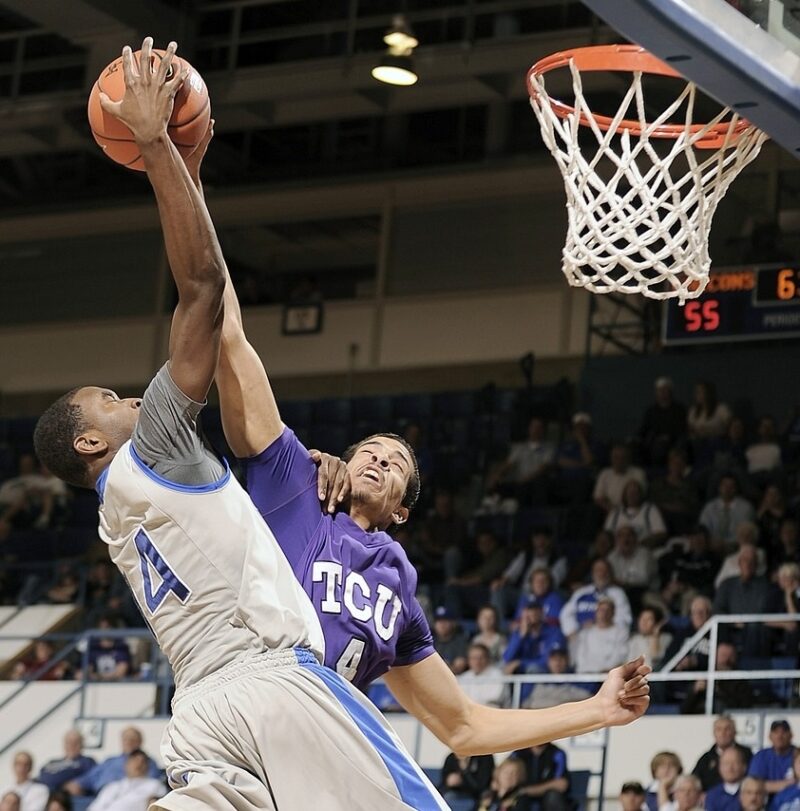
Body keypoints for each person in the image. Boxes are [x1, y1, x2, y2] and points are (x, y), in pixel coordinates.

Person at [34, 38, 449, 811]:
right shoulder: (153, 440)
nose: (129, 395)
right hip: (271, 682)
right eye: (107, 399)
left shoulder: (116, 516)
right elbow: (203, 291)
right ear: (89, 439)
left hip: (200, 711)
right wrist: (160, 147)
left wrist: (184, 169)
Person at [208, 98, 652, 763]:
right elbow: (230, 334)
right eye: (370, 451)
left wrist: (598, 708)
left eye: (396, 463)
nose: (379, 460)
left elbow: (465, 728)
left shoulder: (398, 586)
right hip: (244, 710)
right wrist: (184, 169)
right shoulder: (296, 483)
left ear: (404, 508)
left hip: (317, 747)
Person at [714, 544, 781, 657]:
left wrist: (745, 622)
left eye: (752, 561)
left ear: (757, 564)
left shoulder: (765, 586)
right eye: (745, 560)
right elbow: (718, 609)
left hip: (757, 629)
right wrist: (734, 621)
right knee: (719, 627)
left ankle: (750, 666)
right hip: (731, 628)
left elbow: (763, 611)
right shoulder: (726, 584)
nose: (748, 564)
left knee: (755, 628)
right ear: (739, 563)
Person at [63, 727, 158, 798]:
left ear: (140, 742)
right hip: (101, 796)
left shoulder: (147, 762)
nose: (128, 742)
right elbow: (90, 777)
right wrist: (76, 784)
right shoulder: (110, 761)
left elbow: (149, 783)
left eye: (132, 739)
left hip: (126, 798)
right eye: (125, 739)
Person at [559, 558, 632, 641]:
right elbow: (566, 614)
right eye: (598, 570)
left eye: (605, 570)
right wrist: (572, 631)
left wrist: (600, 627)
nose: (601, 573)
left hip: (606, 638)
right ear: (592, 573)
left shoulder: (618, 593)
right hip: (580, 637)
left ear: (610, 574)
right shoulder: (581, 593)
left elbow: (623, 619)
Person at [503, 598, 566, 677]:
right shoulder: (518, 633)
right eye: (528, 610)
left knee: (533, 669)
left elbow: (550, 661)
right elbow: (507, 658)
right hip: (522, 675)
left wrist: (520, 663)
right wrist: (521, 637)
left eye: (535, 610)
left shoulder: (554, 632)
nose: (532, 613)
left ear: (542, 612)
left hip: (547, 675)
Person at [86, 751, 165, 811]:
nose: (138, 765)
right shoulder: (112, 787)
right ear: (126, 765)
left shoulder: (154, 785)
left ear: (147, 766)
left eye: (142, 762)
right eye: (134, 761)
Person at [692, 716, 752, 792]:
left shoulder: (746, 754)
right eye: (719, 729)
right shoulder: (706, 758)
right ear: (714, 733)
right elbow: (693, 781)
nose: (723, 733)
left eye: (727, 729)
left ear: (734, 732)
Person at [573, 597, 629, 675]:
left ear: (613, 613)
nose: (604, 613)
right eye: (601, 610)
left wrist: (606, 671)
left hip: (609, 676)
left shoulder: (621, 632)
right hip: (587, 675)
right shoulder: (586, 633)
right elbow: (581, 658)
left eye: (607, 610)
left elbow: (620, 656)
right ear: (596, 612)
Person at [638, 378, 688, 466]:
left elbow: (682, 429)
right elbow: (644, 428)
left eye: (665, 390)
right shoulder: (651, 411)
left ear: (670, 392)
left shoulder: (679, 409)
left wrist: (669, 437)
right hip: (653, 442)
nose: (662, 393)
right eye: (660, 390)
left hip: (673, 441)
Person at [524, 645, 591, 709]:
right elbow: (525, 706)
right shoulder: (538, 686)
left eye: (561, 658)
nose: (557, 662)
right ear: (548, 661)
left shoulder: (575, 685)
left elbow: (589, 700)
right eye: (554, 659)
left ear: (567, 661)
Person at [699, 475, 755, 551]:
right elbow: (703, 528)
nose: (727, 489)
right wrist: (711, 542)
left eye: (731, 486)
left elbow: (746, 533)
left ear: (736, 488)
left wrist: (726, 544)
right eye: (724, 485)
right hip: (712, 547)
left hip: (736, 547)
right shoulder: (710, 507)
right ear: (719, 487)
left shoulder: (746, 508)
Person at [604, 481, 667, 548]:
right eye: (630, 492)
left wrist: (640, 545)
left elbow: (660, 533)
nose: (632, 495)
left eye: (635, 493)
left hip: (644, 550)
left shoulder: (650, 509)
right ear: (625, 494)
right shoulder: (615, 512)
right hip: (618, 550)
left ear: (640, 494)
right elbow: (606, 535)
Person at [511, 742, 571, 811]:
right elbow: (505, 775)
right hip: (523, 798)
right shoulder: (518, 753)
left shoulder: (556, 753)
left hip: (547, 798)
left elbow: (562, 784)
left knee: (552, 797)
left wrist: (529, 790)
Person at [748, 720, 796, 798]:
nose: (779, 736)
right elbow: (754, 785)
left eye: (784, 732)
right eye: (776, 732)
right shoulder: (761, 756)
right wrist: (788, 783)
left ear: (791, 735)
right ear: (770, 736)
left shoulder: (797, 755)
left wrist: (768, 785)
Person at [593, 444, 647, 513]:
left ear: (628, 459)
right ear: (611, 458)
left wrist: (623, 512)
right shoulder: (605, 473)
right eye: (616, 457)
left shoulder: (638, 473)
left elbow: (639, 496)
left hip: (632, 509)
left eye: (623, 458)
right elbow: (598, 497)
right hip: (608, 509)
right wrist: (612, 510)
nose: (619, 461)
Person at [704, 747, 749, 811]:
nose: (730, 768)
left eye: (735, 763)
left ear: (744, 767)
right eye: (726, 763)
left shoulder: (752, 792)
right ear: (719, 768)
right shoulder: (712, 795)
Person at [433, 606, 469, 675]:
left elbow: (459, 668)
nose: (442, 624)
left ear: (453, 623)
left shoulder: (461, 641)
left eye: (445, 620)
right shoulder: (429, 642)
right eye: (438, 621)